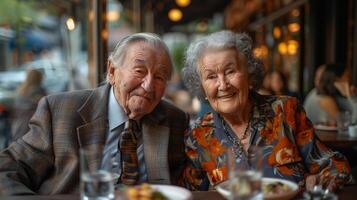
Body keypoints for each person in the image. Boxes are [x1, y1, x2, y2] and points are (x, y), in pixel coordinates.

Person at [0, 33, 189, 195]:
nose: (148, 85)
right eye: (139, 71)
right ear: (112, 71)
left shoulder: (175, 120)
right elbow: (7, 169)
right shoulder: (60, 111)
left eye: (159, 76)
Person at [180, 30, 353, 191]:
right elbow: (190, 191)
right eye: (211, 76)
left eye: (230, 71)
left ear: (249, 74)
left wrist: (319, 180)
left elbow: (336, 167)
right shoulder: (199, 134)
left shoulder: (286, 111)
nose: (223, 85)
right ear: (202, 88)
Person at [11, 68, 47, 141]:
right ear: (38, 78)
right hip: (33, 124)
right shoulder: (37, 90)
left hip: (19, 124)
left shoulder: (21, 89)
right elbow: (46, 104)